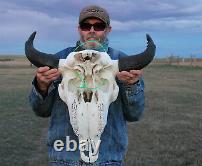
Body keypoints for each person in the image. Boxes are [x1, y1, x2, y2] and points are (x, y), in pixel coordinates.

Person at [29, 5, 145, 166]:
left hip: (108, 159)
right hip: (64, 160)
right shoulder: (58, 59)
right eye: (86, 26)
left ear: (108, 29)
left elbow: (135, 114)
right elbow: (40, 111)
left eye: (98, 26)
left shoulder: (124, 63)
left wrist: (132, 85)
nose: (91, 30)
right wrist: (41, 86)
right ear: (79, 29)